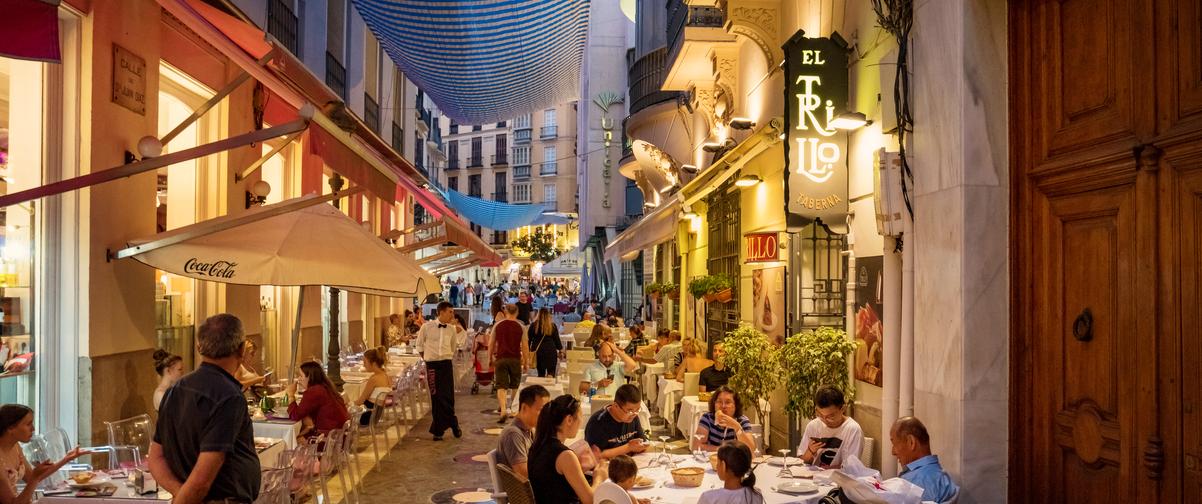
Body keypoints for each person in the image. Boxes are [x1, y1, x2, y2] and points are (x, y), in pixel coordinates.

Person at [149, 313, 260, 504]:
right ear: (241, 350)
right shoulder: (229, 396)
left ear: (199, 347)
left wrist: (180, 492)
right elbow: (203, 477)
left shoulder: (175, 389)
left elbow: (156, 457)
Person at [0, 404, 90, 504]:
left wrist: (66, 459)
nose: (33, 429)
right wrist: (35, 477)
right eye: (28, 424)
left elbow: (32, 477)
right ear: (11, 428)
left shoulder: (15, 447)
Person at [528, 395, 609, 504]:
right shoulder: (565, 455)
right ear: (569, 420)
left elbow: (552, 481)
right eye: (581, 416)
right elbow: (590, 500)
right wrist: (599, 477)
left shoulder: (537, 445)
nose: (581, 422)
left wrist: (578, 469)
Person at [415, 301, 467, 440]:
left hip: (446, 364)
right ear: (441, 312)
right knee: (436, 397)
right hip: (432, 365)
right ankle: (443, 428)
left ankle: (448, 423)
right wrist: (428, 359)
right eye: (450, 312)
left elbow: (452, 347)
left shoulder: (451, 329)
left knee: (448, 396)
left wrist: (444, 357)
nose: (452, 315)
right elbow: (419, 346)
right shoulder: (426, 327)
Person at [892, 417, 959, 502]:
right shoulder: (941, 476)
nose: (893, 452)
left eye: (894, 444)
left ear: (911, 442)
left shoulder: (915, 483)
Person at [798, 386, 863, 469]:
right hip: (813, 478)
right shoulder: (813, 425)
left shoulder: (853, 429)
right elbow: (802, 462)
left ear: (843, 409)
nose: (825, 420)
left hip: (838, 480)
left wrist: (823, 471)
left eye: (830, 416)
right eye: (820, 415)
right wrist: (810, 451)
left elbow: (851, 468)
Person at [495, 384, 551, 478]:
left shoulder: (530, 430)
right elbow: (524, 475)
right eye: (541, 410)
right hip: (524, 491)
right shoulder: (513, 434)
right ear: (524, 407)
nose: (546, 415)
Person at [286, 361, 351, 440]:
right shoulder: (326, 387)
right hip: (339, 436)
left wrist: (290, 395)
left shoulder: (314, 391)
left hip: (328, 439)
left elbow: (295, 415)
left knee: (294, 440)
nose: (298, 379)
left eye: (301, 376)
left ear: (309, 376)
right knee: (300, 434)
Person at [584, 384, 648, 459]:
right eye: (629, 411)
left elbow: (641, 442)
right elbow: (594, 455)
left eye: (638, 410)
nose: (634, 414)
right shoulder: (598, 421)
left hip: (629, 463)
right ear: (616, 406)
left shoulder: (633, 416)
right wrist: (628, 447)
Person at [691, 386, 756, 452]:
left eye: (728, 402)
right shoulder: (707, 418)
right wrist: (722, 450)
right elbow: (696, 446)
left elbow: (750, 450)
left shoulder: (742, 421)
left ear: (736, 405)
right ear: (714, 404)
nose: (723, 406)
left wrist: (737, 428)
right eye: (719, 402)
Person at [698, 440, 764, 504]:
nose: (717, 466)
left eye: (718, 462)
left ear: (723, 466)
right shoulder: (756, 495)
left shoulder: (709, 498)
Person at [491, 304, 526, 423]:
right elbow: (525, 346)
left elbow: (491, 343)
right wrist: (526, 361)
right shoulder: (521, 326)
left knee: (501, 385)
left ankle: (503, 410)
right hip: (515, 358)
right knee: (515, 385)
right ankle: (513, 409)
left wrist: (490, 357)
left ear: (505, 312)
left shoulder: (498, 325)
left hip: (501, 358)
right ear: (517, 313)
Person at [353, 347, 393, 427]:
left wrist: (347, 405)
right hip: (377, 415)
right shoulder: (386, 376)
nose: (363, 364)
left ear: (374, 363)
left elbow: (360, 401)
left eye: (365, 362)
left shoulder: (374, 379)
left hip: (366, 416)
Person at [528, 307, 563, 377]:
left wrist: (528, 351)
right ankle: (550, 386)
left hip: (538, 352)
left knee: (540, 373)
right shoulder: (552, 326)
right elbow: (557, 340)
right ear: (548, 315)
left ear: (538, 314)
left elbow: (529, 339)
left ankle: (542, 386)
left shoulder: (533, 325)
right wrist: (561, 350)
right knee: (551, 372)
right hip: (550, 351)